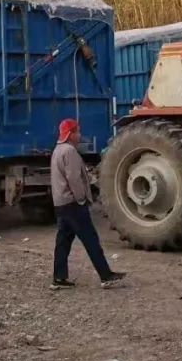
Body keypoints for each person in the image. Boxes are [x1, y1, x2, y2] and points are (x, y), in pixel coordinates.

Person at [50, 119, 126, 290]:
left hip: (61, 204)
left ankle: (59, 278)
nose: (80, 135)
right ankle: (106, 276)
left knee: (63, 241)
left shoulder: (57, 150)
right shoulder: (70, 152)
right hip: (73, 204)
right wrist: (81, 198)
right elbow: (74, 179)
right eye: (78, 131)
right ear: (71, 134)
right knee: (91, 240)